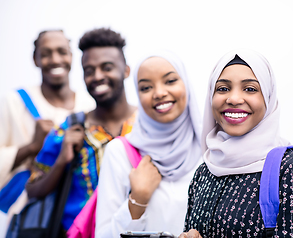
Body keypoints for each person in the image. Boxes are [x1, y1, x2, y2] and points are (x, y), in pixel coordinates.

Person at [180, 49, 293, 237]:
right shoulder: (204, 172)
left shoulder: (292, 172)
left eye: (250, 89)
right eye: (223, 88)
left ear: (268, 97)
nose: (233, 99)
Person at [25, 28, 137, 234]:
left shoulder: (146, 125)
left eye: (107, 67)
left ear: (126, 70)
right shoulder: (68, 129)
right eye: (89, 70)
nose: (97, 76)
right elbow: (32, 190)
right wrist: (61, 162)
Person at [95, 50, 202, 237]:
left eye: (170, 81)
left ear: (186, 83)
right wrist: (137, 200)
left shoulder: (211, 150)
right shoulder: (120, 152)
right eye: (146, 88)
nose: (159, 93)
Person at [0, 30, 95, 224]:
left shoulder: (90, 105)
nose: (55, 59)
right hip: (30, 214)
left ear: (71, 56)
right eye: (46, 54)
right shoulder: (15, 102)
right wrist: (32, 147)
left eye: (62, 52)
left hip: (78, 212)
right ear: (35, 59)